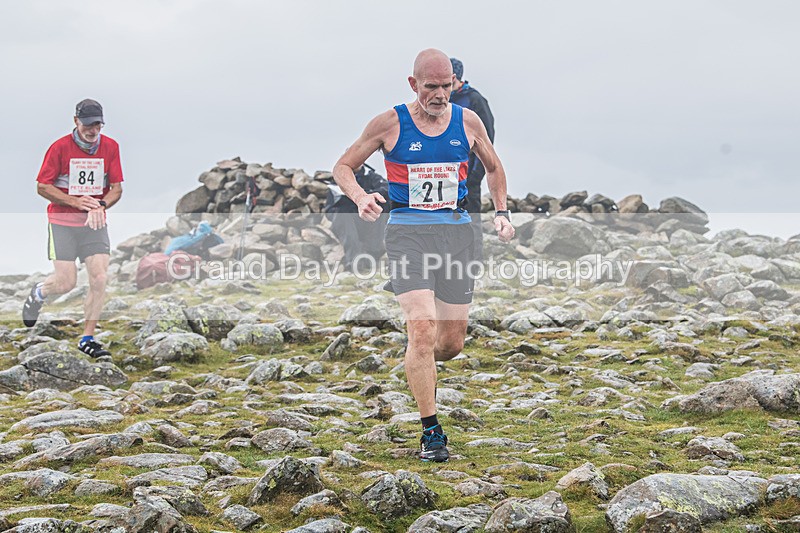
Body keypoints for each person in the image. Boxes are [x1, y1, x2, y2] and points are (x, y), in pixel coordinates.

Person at [333, 49, 514, 462]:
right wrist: (360, 197)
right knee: (421, 329)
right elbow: (343, 166)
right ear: (413, 85)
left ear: (455, 83)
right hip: (408, 236)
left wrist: (501, 212)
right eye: (430, 87)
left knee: (449, 344)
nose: (438, 94)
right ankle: (431, 432)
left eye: (445, 86)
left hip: (456, 235)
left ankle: (418, 361)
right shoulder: (389, 123)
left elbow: (494, 166)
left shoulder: (468, 121)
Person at [22, 99, 124, 358]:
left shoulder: (111, 147)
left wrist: (101, 205)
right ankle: (39, 292)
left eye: (98, 124)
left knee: (99, 277)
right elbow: (42, 186)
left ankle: (87, 338)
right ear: (76, 121)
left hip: (94, 222)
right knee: (66, 283)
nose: (93, 130)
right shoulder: (59, 148)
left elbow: (117, 188)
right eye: (88, 124)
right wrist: (75, 202)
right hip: (62, 223)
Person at [448, 57, 495, 215]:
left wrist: (476, 175)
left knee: (470, 220)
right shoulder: (441, 100)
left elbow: (487, 138)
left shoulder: (474, 100)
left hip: (469, 174)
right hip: (444, 174)